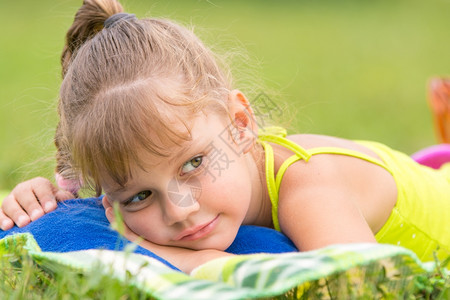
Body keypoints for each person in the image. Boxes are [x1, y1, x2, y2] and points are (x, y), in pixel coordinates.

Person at [1, 0, 449, 273]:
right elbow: (72, 215)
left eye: (193, 164)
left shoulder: (307, 189)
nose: (179, 210)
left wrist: (194, 263)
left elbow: (365, 287)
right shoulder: (135, 183)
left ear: (240, 123)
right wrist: (39, 199)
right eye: (139, 196)